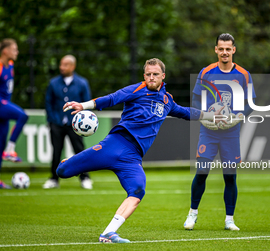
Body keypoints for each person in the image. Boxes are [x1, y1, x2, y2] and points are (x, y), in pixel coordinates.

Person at [56, 58, 224, 243]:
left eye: (155, 75)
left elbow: (185, 112)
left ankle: (108, 233)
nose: (151, 78)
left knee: (137, 190)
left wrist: (210, 115)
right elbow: (112, 98)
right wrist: (83, 105)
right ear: (144, 75)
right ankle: (68, 163)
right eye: (148, 74)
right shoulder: (136, 89)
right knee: (62, 171)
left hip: (132, 157)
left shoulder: (167, 100)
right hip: (114, 144)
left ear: (163, 76)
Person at [183, 33, 255, 231]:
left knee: (230, 176)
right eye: (221, 48)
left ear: (233, 50)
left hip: (231, 133)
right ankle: (192, 213)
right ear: (216, 49)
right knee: (202, 172)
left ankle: (229, 219)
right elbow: (196, 100)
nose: (224, 52)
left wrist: (237, 117)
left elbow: (251, 103)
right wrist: (206, 116)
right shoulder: (206, 72)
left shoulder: (243, 74)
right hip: (209, 130)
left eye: (228, 49)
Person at [43, 55, 93, 189]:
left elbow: (86, 102)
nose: (62, 67)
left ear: (73, 66)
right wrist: (52, 120)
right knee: (56, 151)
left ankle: (85, 177)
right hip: (57, 123)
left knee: (80, 150)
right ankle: (54, 178)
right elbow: (49, 103)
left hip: (75, 124)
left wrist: (80, 120)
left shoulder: (82, 83)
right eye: (61, 64)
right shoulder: (53, 83)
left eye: (65, 65)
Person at [0, 38, 29, 189]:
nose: (17, 52)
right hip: (1, 105)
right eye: (14, 49)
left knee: (0, 144)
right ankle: (10, 150)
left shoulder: (10, 65)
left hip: (4, 110)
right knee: (22, 115)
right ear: (5, 51)